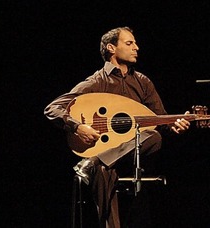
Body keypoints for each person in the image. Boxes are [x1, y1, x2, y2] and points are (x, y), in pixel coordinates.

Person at [44, 26, 190, 227]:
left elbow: (160, 120)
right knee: (104, 171)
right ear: (111, 48)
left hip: (136, 156)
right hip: (109, 154)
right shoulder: (97, 81)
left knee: (153, 136)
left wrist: (175, 125)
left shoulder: (142, 83)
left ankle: (93, 162)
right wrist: (77, 127)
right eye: (129, 43)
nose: (136, 48)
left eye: (135, 43)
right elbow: (53, 108)